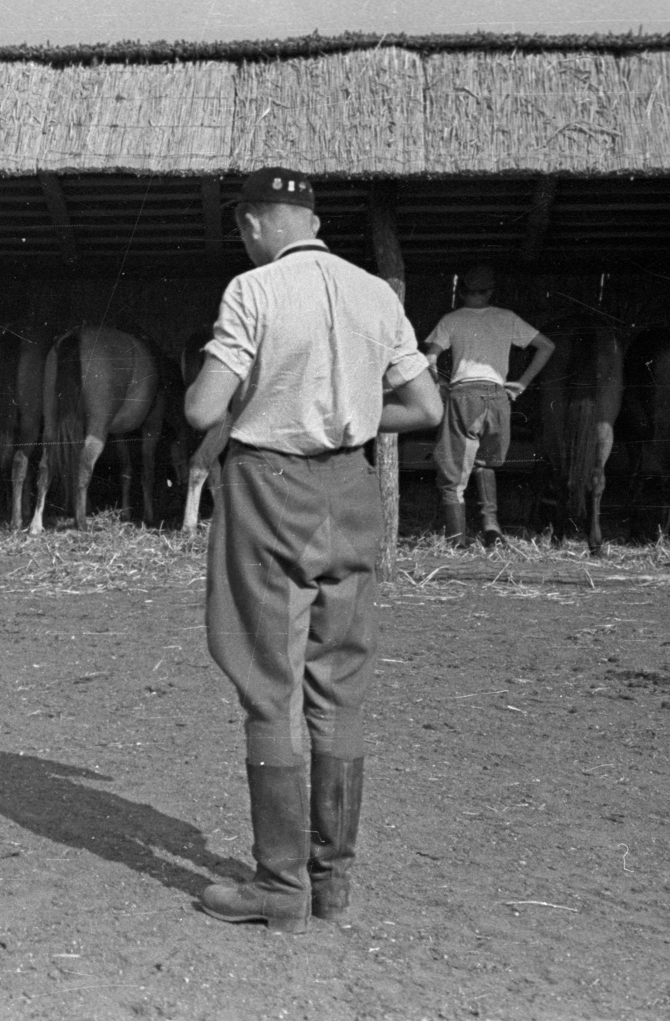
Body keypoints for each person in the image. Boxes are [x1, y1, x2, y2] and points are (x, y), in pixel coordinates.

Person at [183, 168, 442, 933]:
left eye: (243, 225)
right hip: (354, 491)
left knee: (269, 684)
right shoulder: (375, 292)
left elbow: (203, 405)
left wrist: (251, 402)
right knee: (340, 684)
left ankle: (278, 884)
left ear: (257, 223)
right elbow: (426, 406)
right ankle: (332, 882)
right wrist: (356, 411)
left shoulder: (251, 291)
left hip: (271, 489)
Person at [423, 264, 554, 547]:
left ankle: (457, 541)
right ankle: (491, 528)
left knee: (452, 475)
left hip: (464, 397)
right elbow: (546, 346)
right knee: (485, 463)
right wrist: (522, 383)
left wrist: (439, 383)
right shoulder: (506, 318)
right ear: (490, 291)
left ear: (460, 292)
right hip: (497, 398)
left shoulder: (451, 319)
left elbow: (430, 357)